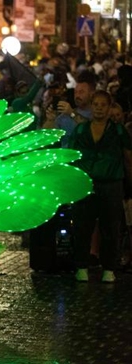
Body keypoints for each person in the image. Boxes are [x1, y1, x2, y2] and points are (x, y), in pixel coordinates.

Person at [69, 90, 132, 283]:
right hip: (86, 183)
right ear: (91, 105)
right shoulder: (81, 129)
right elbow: (72, 155)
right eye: (95, 104)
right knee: (82, 225)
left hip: (111, 184)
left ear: (109, 106)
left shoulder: (118, 130)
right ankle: (81, 266)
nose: (99, 108)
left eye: (103, 104)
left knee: (111, 227)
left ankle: (109, 268)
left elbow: (128, 158)